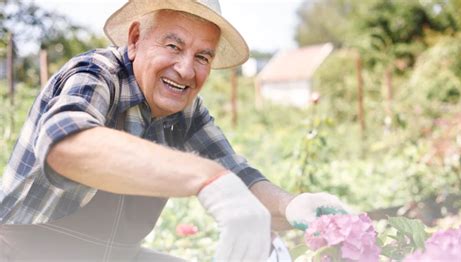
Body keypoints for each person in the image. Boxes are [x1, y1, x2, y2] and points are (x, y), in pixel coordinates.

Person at [0, 0, 349, 261]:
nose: (185, 69)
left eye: (203, 57)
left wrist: (294, 207)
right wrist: (207, 178)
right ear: (135, 39)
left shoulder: (186, 111)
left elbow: (238, 175)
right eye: (173, 46)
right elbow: (66, 146)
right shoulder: (96, 73)